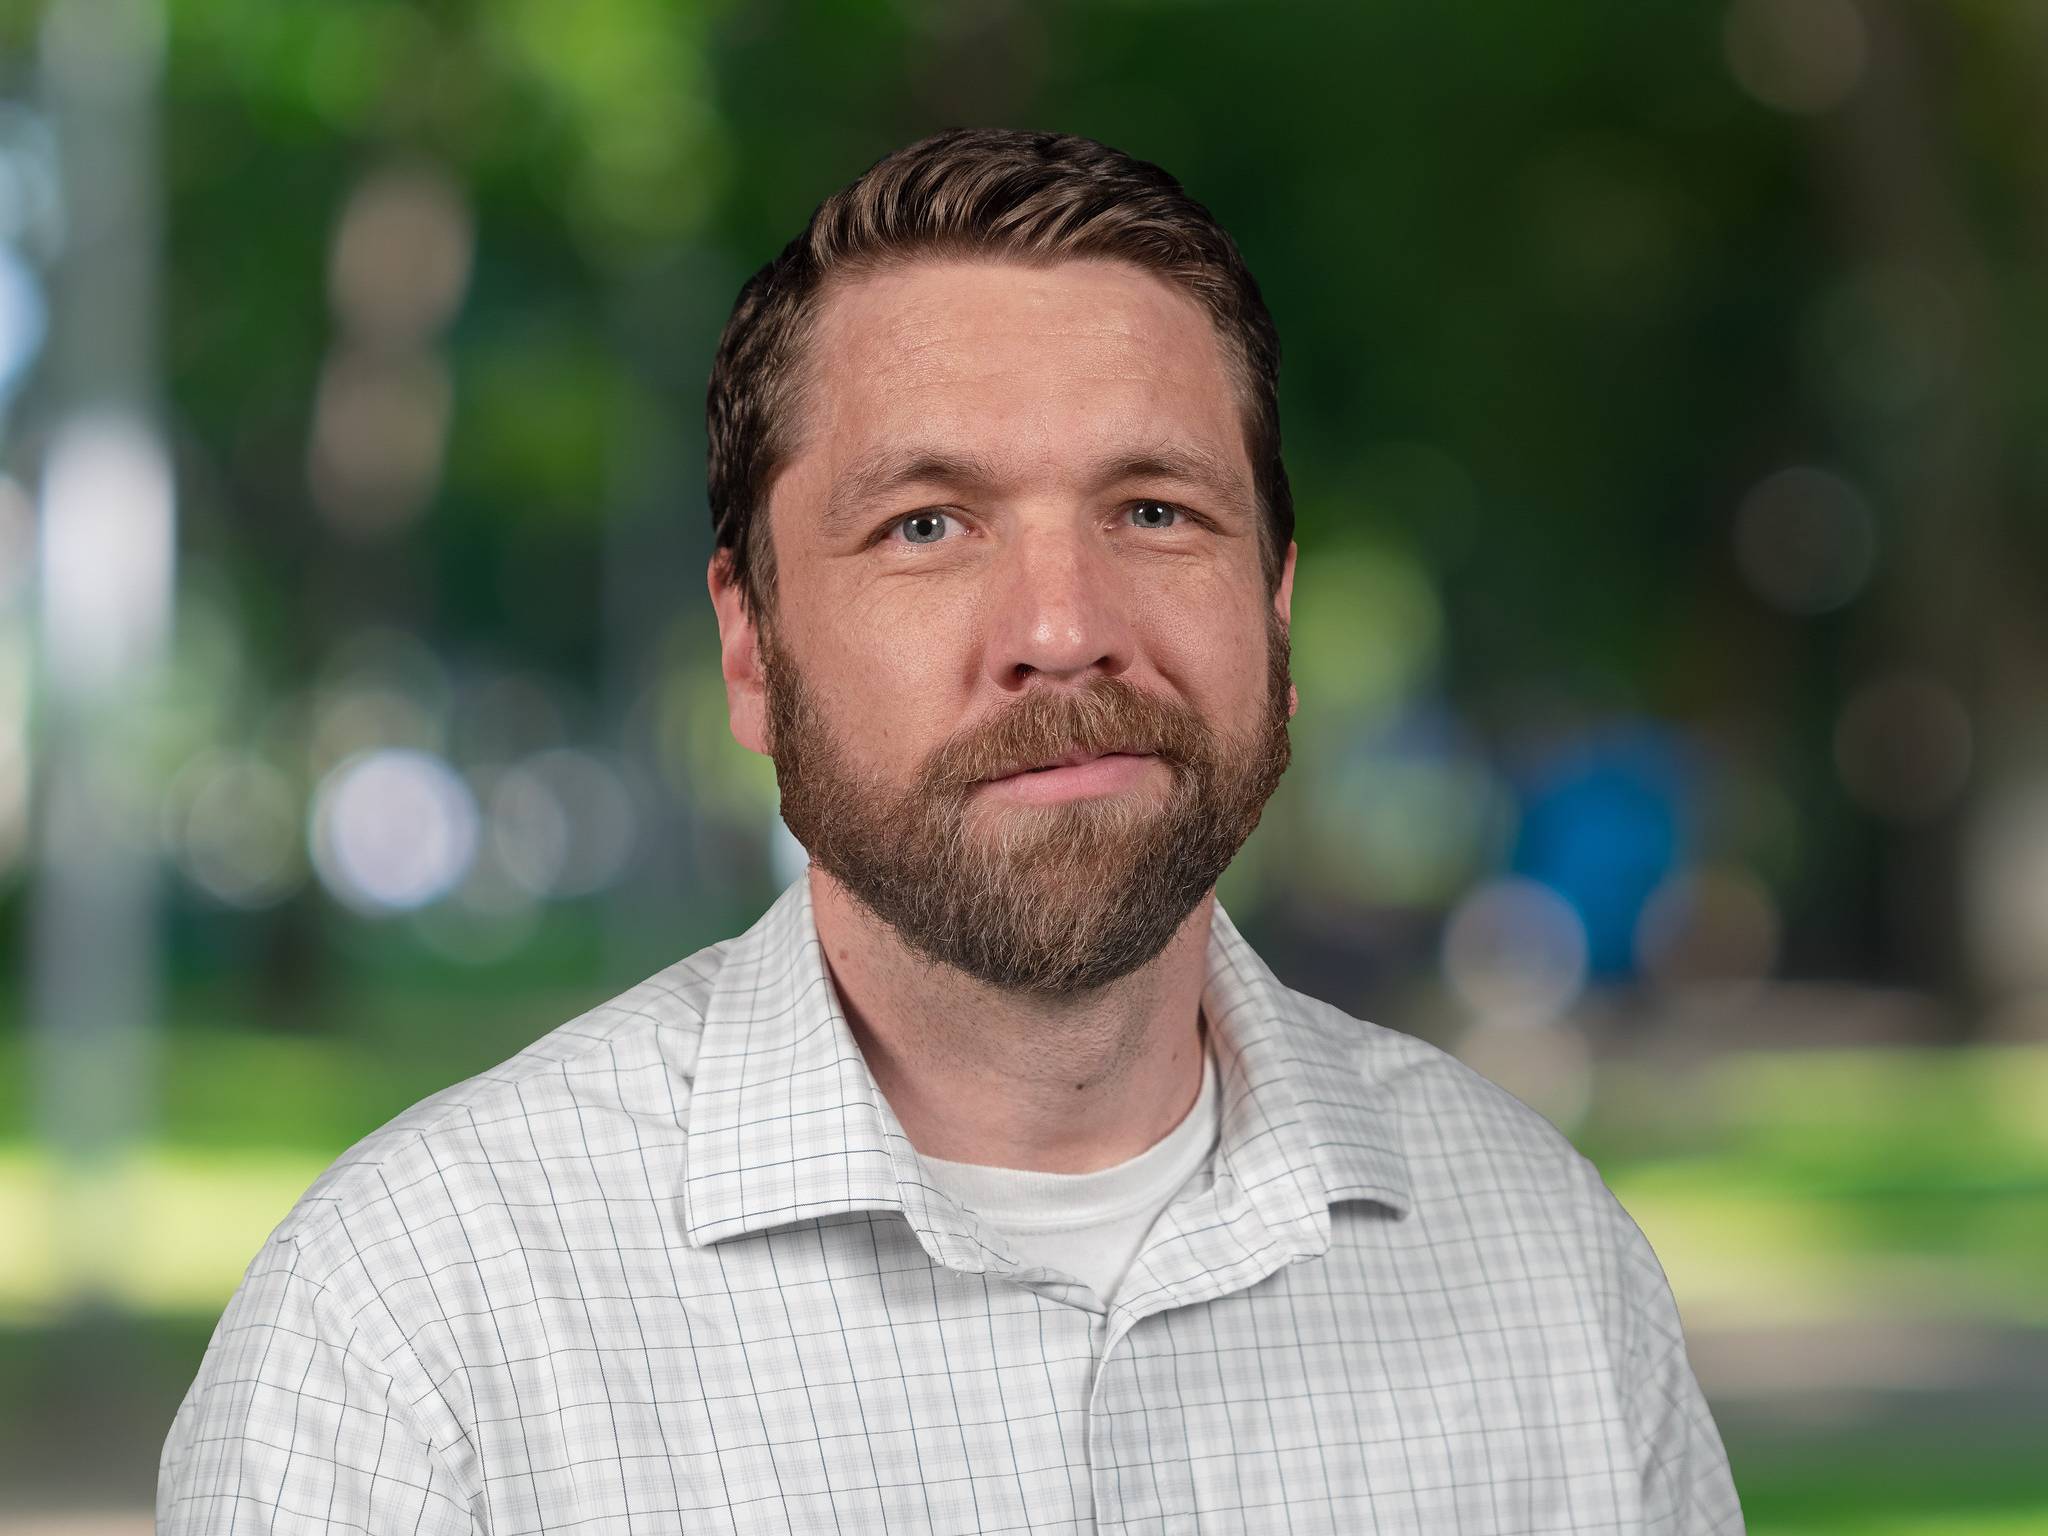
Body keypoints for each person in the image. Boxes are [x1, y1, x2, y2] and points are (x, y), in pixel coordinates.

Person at [159, 128, 1743, 1534]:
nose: (1061, 628)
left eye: (1154, 511)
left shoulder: (1550, 1265)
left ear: (1275, 610)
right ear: (749, 650)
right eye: (928, 525)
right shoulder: (416, 1329)